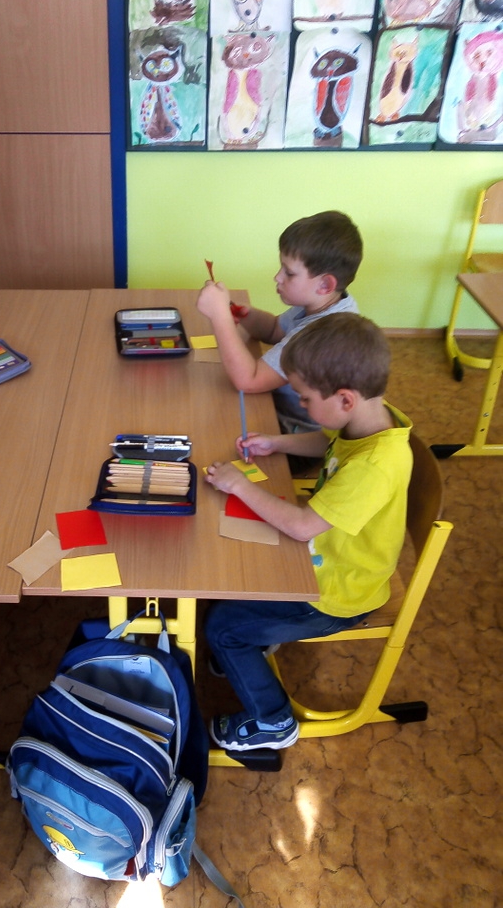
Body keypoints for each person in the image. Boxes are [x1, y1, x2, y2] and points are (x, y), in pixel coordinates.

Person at [203, 313, 412, 752]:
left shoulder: (375, 467)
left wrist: (239, 485)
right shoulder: (368, 418)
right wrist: (276, 443)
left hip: (338, 594)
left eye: (304, 397)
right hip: (327, 561)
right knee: (230, 575)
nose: (299, 404)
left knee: (222, 627)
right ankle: (250, 650)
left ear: (345, 398)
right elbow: (327, 440)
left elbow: (301, 527)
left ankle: (273, 721)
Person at [196, 210, 363, 434]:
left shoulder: (323, 333)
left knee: (210, 423)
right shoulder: (322, 302)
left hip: (296, 429)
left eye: (289, 273)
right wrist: (246, 315)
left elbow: (249, 381)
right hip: (276, 406)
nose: (277, 277)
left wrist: (220, 317)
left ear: (325, 285)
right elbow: (275, 330)